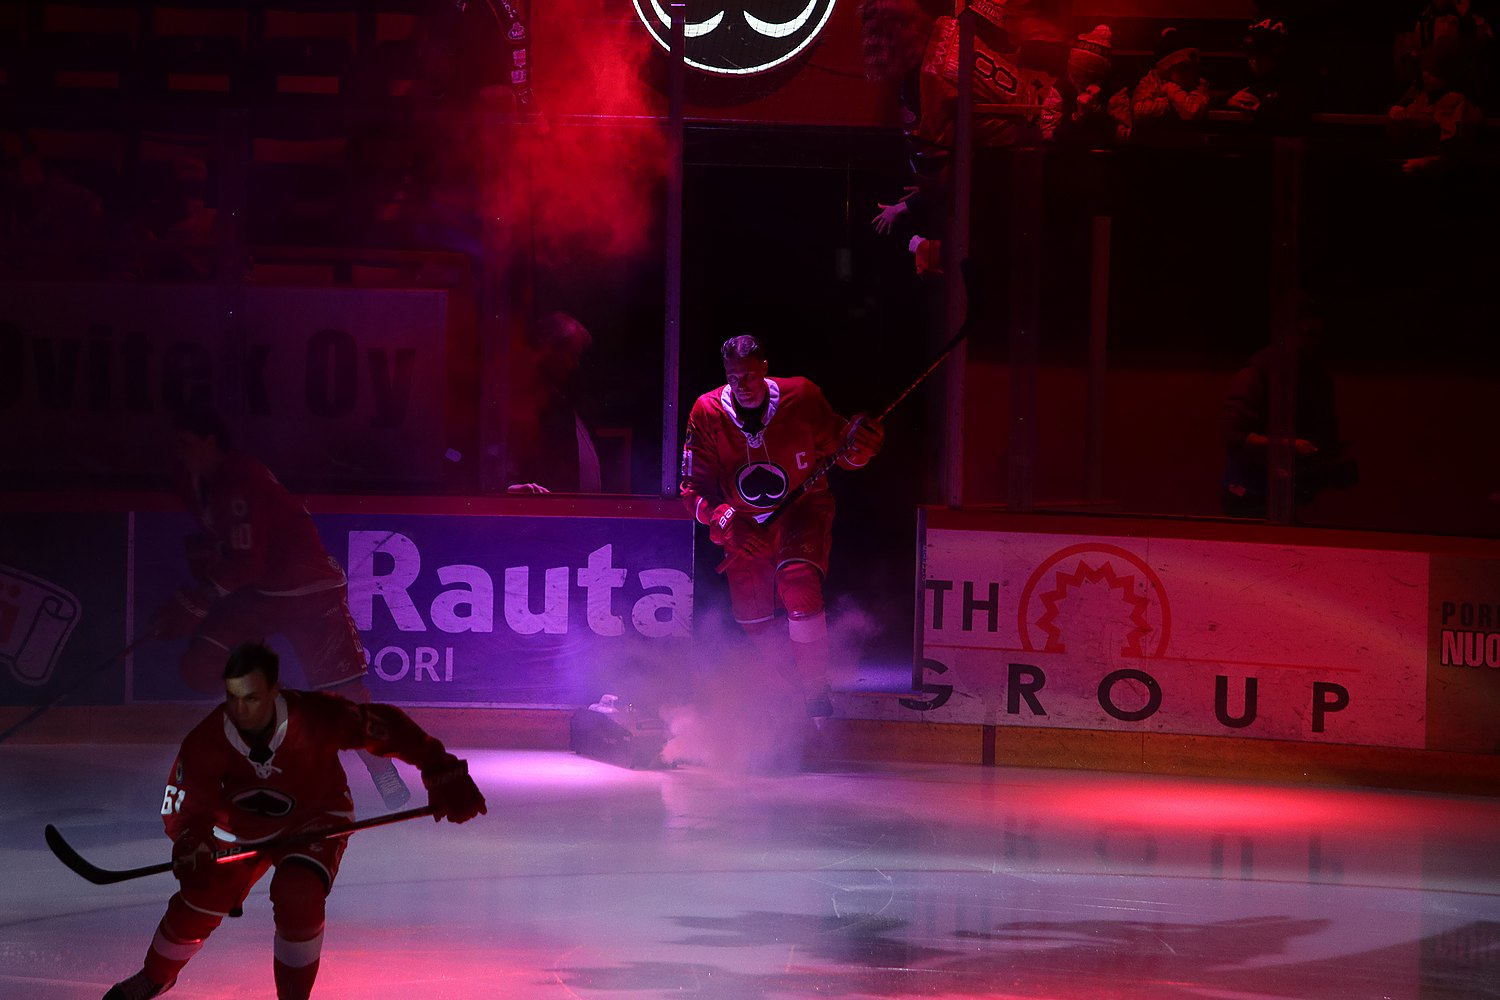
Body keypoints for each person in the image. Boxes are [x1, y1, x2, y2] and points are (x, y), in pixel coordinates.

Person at [103, 640, 486, 1000]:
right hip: (238, 827)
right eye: (233, 698)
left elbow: (387, 727)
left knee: (298, 894)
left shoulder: (318, 716)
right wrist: (191, 841)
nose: (240, 711)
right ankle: (156, 975)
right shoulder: (206, 739)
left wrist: (440, 767)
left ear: (275, 691)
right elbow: (183, 804)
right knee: (200, 898)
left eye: (251, 698)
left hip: (315, 818)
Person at [150, 404, 412, 810]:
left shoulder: (240, 477)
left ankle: (382, 770)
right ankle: (264, 751)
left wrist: (198, 600)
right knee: (202, 663)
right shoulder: (190, 480)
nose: (179, 452)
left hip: (308, 591)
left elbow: (247, 559)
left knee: (345, 694)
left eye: (186, 443)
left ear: (210, 441)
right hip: (257, 593)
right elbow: (234, 552)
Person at [679, 336, 884, 717]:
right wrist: (726, 518)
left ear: (765, 368)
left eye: (751, 375)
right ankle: (792, 700)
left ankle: (815, 692)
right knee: (754, 620)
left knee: (798, 580)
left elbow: (842, 452)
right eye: (734, 377)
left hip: (801, 509)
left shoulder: (803, 397)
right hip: (742, 525)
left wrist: (863, 448)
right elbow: (693, 490)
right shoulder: (706, 412)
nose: (743, 385)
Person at [1221, 303, 1356, 518]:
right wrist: (1291, 447)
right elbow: (1235, 438)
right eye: (1307, 334)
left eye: (1317, 336)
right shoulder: (1256, 374)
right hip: (1250, 499)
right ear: (1284, 333)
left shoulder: (1315, 380)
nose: (1312, 344)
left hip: (1289, 500)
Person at [505, 312, 603, 494]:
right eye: (571, 355)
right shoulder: (524, 400)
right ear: (549, 348)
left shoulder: (562, 399)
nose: (575, 365)